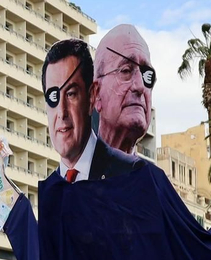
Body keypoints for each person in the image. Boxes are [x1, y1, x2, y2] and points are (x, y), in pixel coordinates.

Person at [40, 37, 145, 182]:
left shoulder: (130, 173)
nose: (61, 112)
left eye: (71, 94)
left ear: (92, 96)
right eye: (53, 98)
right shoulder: (50, 191)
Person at [92, 23, 156, 155]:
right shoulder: (77, 172)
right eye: (126, 70)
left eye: (147, 75)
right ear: (96, 93)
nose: (140, 86)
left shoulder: (153, 176)